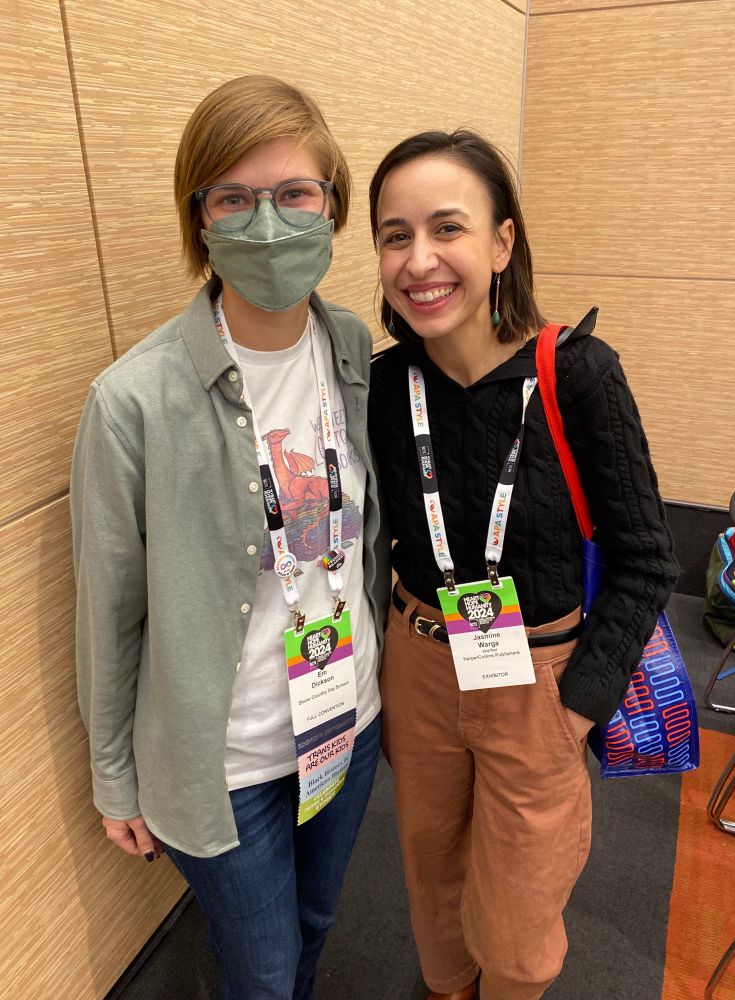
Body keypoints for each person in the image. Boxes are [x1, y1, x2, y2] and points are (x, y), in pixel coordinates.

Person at [70, 75, 390, 1000]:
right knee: (262, 972)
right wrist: (114, 779)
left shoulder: (351, 348)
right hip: (229, 763)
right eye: (234, 199)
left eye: (295, 193)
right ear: (199, 219)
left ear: (332, 206)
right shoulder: (132, 401)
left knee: (319, 924)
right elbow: (109, 612)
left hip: (347, 718)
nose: (269, 223)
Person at [367, 130, 680, 1000]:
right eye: (395, 236)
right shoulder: (385, 387)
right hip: (419, 663)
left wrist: (576, 708)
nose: (419, 260)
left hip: (538, 677)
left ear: (502, 242)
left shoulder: (577, 374)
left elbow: (648, 560)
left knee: (517, 923)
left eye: (447, 228)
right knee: (431, 878)